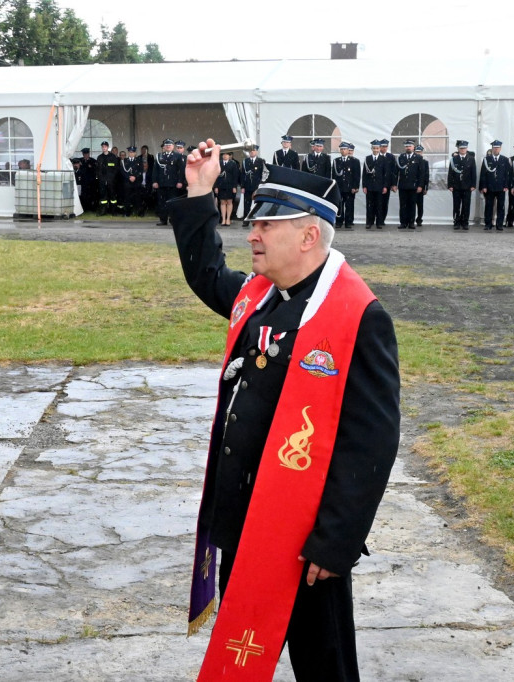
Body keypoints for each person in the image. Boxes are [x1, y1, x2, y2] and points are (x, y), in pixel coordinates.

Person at [172, 137, 400, 682]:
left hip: (304, 542)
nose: (251, 234)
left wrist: (337, 541)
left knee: (324, 666)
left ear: (307, 234)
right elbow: (206, 273)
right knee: (244, 651)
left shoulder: (356, 316)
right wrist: (199, 191)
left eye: (266, 225)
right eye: (254, 223)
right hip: (244, 519)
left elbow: (370, 440)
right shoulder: (260, 295)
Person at [479, 140, 511, 230]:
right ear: (492, 148)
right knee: (488, 206)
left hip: (501, 187)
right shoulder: (487, 159)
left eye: (498, 147)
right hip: (489, 187)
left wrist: (506, 186)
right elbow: (483, 174)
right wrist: (483, 186)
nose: (496, 149)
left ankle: (499, 224)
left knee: (501, 207)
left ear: (500, 148)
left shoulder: (504, 159)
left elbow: (507, 174)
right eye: (494, 147)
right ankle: (488, 224)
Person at [448, 140, 476, 230]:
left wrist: (473, 185)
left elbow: (473, 173)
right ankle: (456, 221)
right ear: (458, 149)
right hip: (456, 186)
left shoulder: (471, 159)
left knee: (466, 205)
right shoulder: (454, 159)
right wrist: (450, 185)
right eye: (461, 148)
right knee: (456, 205)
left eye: (464, 148)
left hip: (467, 186)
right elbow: (450, 173)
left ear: (467, 149)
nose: (463, 150)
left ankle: (465, 222)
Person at [393, 140, 421, 230]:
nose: (408, 147)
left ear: (413, 147)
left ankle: (411, 222)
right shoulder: (400, 157)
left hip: (413, 185)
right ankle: (403, 222)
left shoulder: (418, 158)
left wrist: (420, 185)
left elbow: (421, 173)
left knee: (412, 205)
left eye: (410, 146)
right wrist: (394, 184)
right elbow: (395, 172)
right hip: (403, 185)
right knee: (403, 205)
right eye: (407, 146)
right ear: (405, 147)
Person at [332, 141, 360, 230]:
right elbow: (334, 175)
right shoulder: (336, 161)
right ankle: (339, 221)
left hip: (349, 187)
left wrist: (355, 187)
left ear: (348, 150)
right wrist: (334, 187)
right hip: (339, 187)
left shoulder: (354, 161)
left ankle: (348, 222)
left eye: (345, 149)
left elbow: (357, 175)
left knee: (349, 206)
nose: (343, 151)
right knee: (339, 205)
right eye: (342, 149)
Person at [362, 140, 388, 229]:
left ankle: (379, 222)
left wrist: (385, 186)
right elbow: (364, 174)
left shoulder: (384, 159)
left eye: (377, 148)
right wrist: (364, 186)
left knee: (379, 205)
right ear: (371, 148)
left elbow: (385, 174)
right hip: (369, 186)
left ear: (380, 148)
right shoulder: (367, 158)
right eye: (374, 148)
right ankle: (369, 222)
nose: (376, 150)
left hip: (379, 186)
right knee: (369, 205)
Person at [153, 139, 180, 225]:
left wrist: (180, 181)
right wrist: (154, 181)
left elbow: (181, 170)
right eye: (166, 145)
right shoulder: (159, 156)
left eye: (170, 145)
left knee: (173, 202)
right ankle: (163, 219)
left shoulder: (177, 156)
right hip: (162, 183)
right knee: (162, 202)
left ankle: (173, 219)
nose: (168, 146)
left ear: (173, 146)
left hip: (173, 183)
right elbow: (155, 170)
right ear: (164, 147)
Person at [213, 150, 240, 226]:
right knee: (222, 202)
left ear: (229, 155)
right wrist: (216, 186)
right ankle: (223, 219)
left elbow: (235, 176)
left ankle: (228, 219)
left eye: (227, 154)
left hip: (230, 186)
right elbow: (215, 176)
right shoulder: (218, 163)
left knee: (229, 202)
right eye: (224, 154)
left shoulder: (233, 164)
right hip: (221, 185)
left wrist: (234, 187)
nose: (225, 156)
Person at [240, 145, 265, 225]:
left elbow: (263, 174)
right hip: (247, 185)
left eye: (253, 151)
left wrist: (262, 184)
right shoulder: (245, 161)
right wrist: (242, 186)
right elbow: (243, 174)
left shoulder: (261, 161)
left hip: (257, 185)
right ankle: (246, 219)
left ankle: (256, 219)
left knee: (257, 203)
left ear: (256, 152)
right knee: (247, 203)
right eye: (250, 151)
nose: (252, 152)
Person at [95, 141, 119, 215]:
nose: (104, 148)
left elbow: (116, 169)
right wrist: (100, 178)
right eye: (103, 147)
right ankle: (103, 211)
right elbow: (97, 170)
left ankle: (113, 211)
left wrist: (111, 178)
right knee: (103, 197)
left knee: (113, 197)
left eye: (105, 146)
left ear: (108, 147)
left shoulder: (113, 157)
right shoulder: (99, 157)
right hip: (102, 181)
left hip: (111, 181)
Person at [120, 146, 144, 217]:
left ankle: (139, 212)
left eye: (133, 152)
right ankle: (127, 212)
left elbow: (141, 170)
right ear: (128, 153)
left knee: (138, 197)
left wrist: (135, 177)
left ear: (135, 153)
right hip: (127, 182)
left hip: (136, 182)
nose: (131, 153)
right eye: (130, 152)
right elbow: (122, 171)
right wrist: (129, 177)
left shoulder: (139, 160)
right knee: (127, 198)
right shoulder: (124, 161)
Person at [378, 139, 396, 226]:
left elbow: (394, 171)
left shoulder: (391, 157)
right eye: (382, 146)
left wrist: (393, 184)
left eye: (385, 147)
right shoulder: (376, 156)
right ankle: (376, 219)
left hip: (387, 183)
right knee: (377, 202)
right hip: (377, 184)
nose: (384, 148)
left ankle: (382, 220)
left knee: (385, 203)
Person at [413, 144, 429, 227]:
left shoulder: (425, 162)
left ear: (422, 152)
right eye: (417, 152)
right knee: (411, 204)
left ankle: (419, 219)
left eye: (420, 152)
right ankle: (411, 220)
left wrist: (425, 187)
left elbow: (426, 175)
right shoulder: (412, 161)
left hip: (421, 186)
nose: (418, 153)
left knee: (420, 205)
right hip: (412, 186)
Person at [77, 147, 99, 213]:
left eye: (87, 154)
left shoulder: (93, 161)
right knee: (84, 195)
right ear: (83, 154)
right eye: (84, 154)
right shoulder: (80, 161)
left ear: (89, 154)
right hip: (83, 182)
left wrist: (91, 167)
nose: (86, 155)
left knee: (92, 195)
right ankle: (84, 208)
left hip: (91, 182)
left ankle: (92, 208)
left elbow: (95, 170)